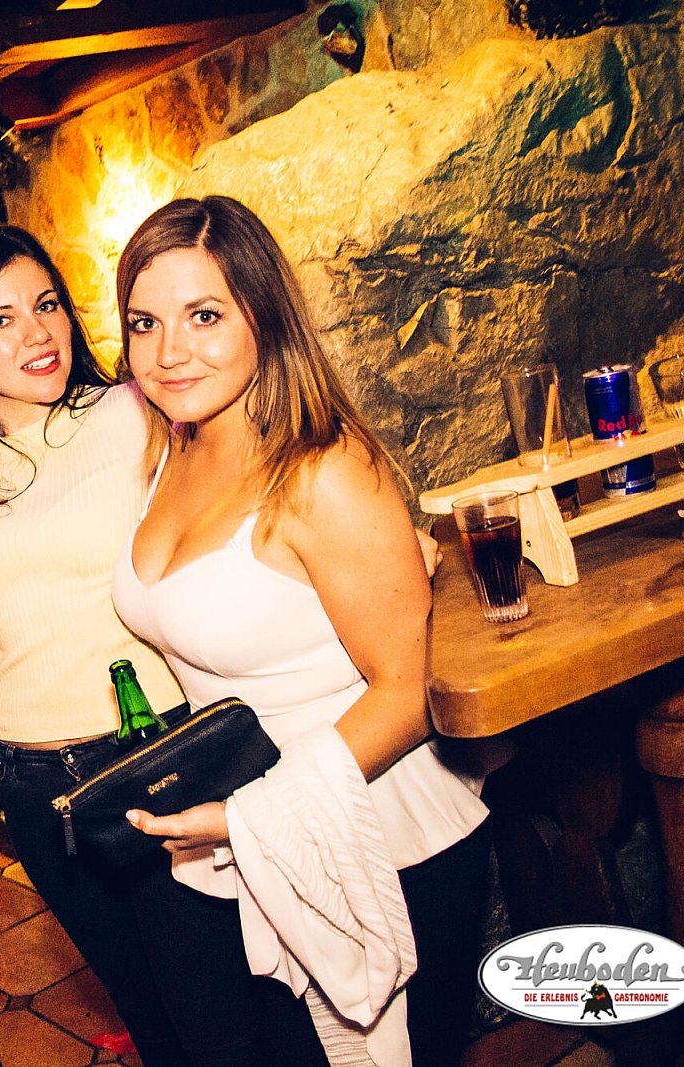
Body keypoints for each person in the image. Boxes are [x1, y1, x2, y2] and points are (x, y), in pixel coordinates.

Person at [111, 195, 490, 1065]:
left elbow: (409, 690)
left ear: (264, 315)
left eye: (204, 315)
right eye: (144, 323)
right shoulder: (173, 445)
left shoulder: (322, 469)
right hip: (256, 840)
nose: (169, 352)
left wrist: (250, 815)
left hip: (380, 838)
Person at [0, 225, 289, 1066]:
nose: (38, 332)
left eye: (46, 304)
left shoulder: (135, 411)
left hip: (155, 750)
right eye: (0, 319)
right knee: (151, 1022)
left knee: (222, 1024)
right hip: (33, 784)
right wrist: (33, 663)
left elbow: (262, 487)